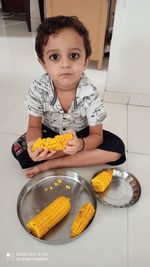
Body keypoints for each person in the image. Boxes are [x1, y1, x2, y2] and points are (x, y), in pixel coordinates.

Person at [11, 15, 126, 178]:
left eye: (74, 56)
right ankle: (63, 157)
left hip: (80, 134)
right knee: (21, 151)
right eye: (54, 57)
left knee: (117, 149)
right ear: (43, 63)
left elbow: (97, 136)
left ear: (85, 61)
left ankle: (55, 163)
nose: (65, 64)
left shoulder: (90, 93)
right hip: (50, 131)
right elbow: (34, 127)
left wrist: (80, 145)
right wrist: (33, 145)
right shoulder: (38, 88)